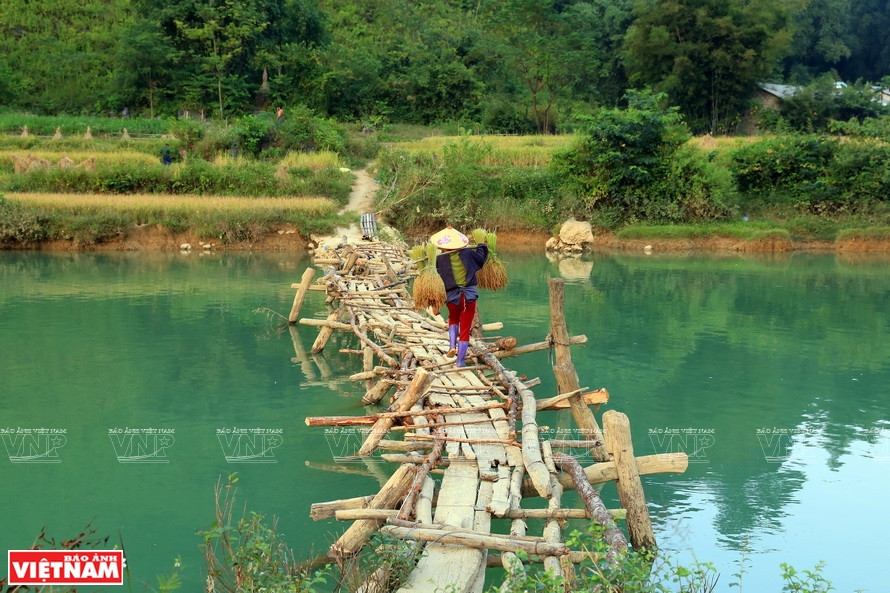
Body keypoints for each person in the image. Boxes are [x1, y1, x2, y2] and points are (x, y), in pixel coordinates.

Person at [431, 226, 488, 367]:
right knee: (465, 328)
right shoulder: (467, 253)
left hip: (452, 298)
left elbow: (435, 279)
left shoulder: (439, 259)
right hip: (468, 296)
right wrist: (482, 246)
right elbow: (480, 259)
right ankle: (460, 361)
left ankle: (452, 346)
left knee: (453, 320)